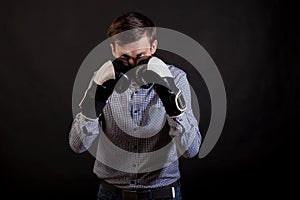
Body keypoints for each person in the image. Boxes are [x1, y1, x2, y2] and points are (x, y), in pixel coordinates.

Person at [69, 11, 202, 200]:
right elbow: (77, 146)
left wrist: (172, 102)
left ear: (153, 47)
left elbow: (191, 150)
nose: (133, 65)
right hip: (111, 194)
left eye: (141, 56)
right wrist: (94, 101)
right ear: (113, 50)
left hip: (162, 194)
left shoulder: (177, 79)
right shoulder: (100, 79)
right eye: (125, 57)